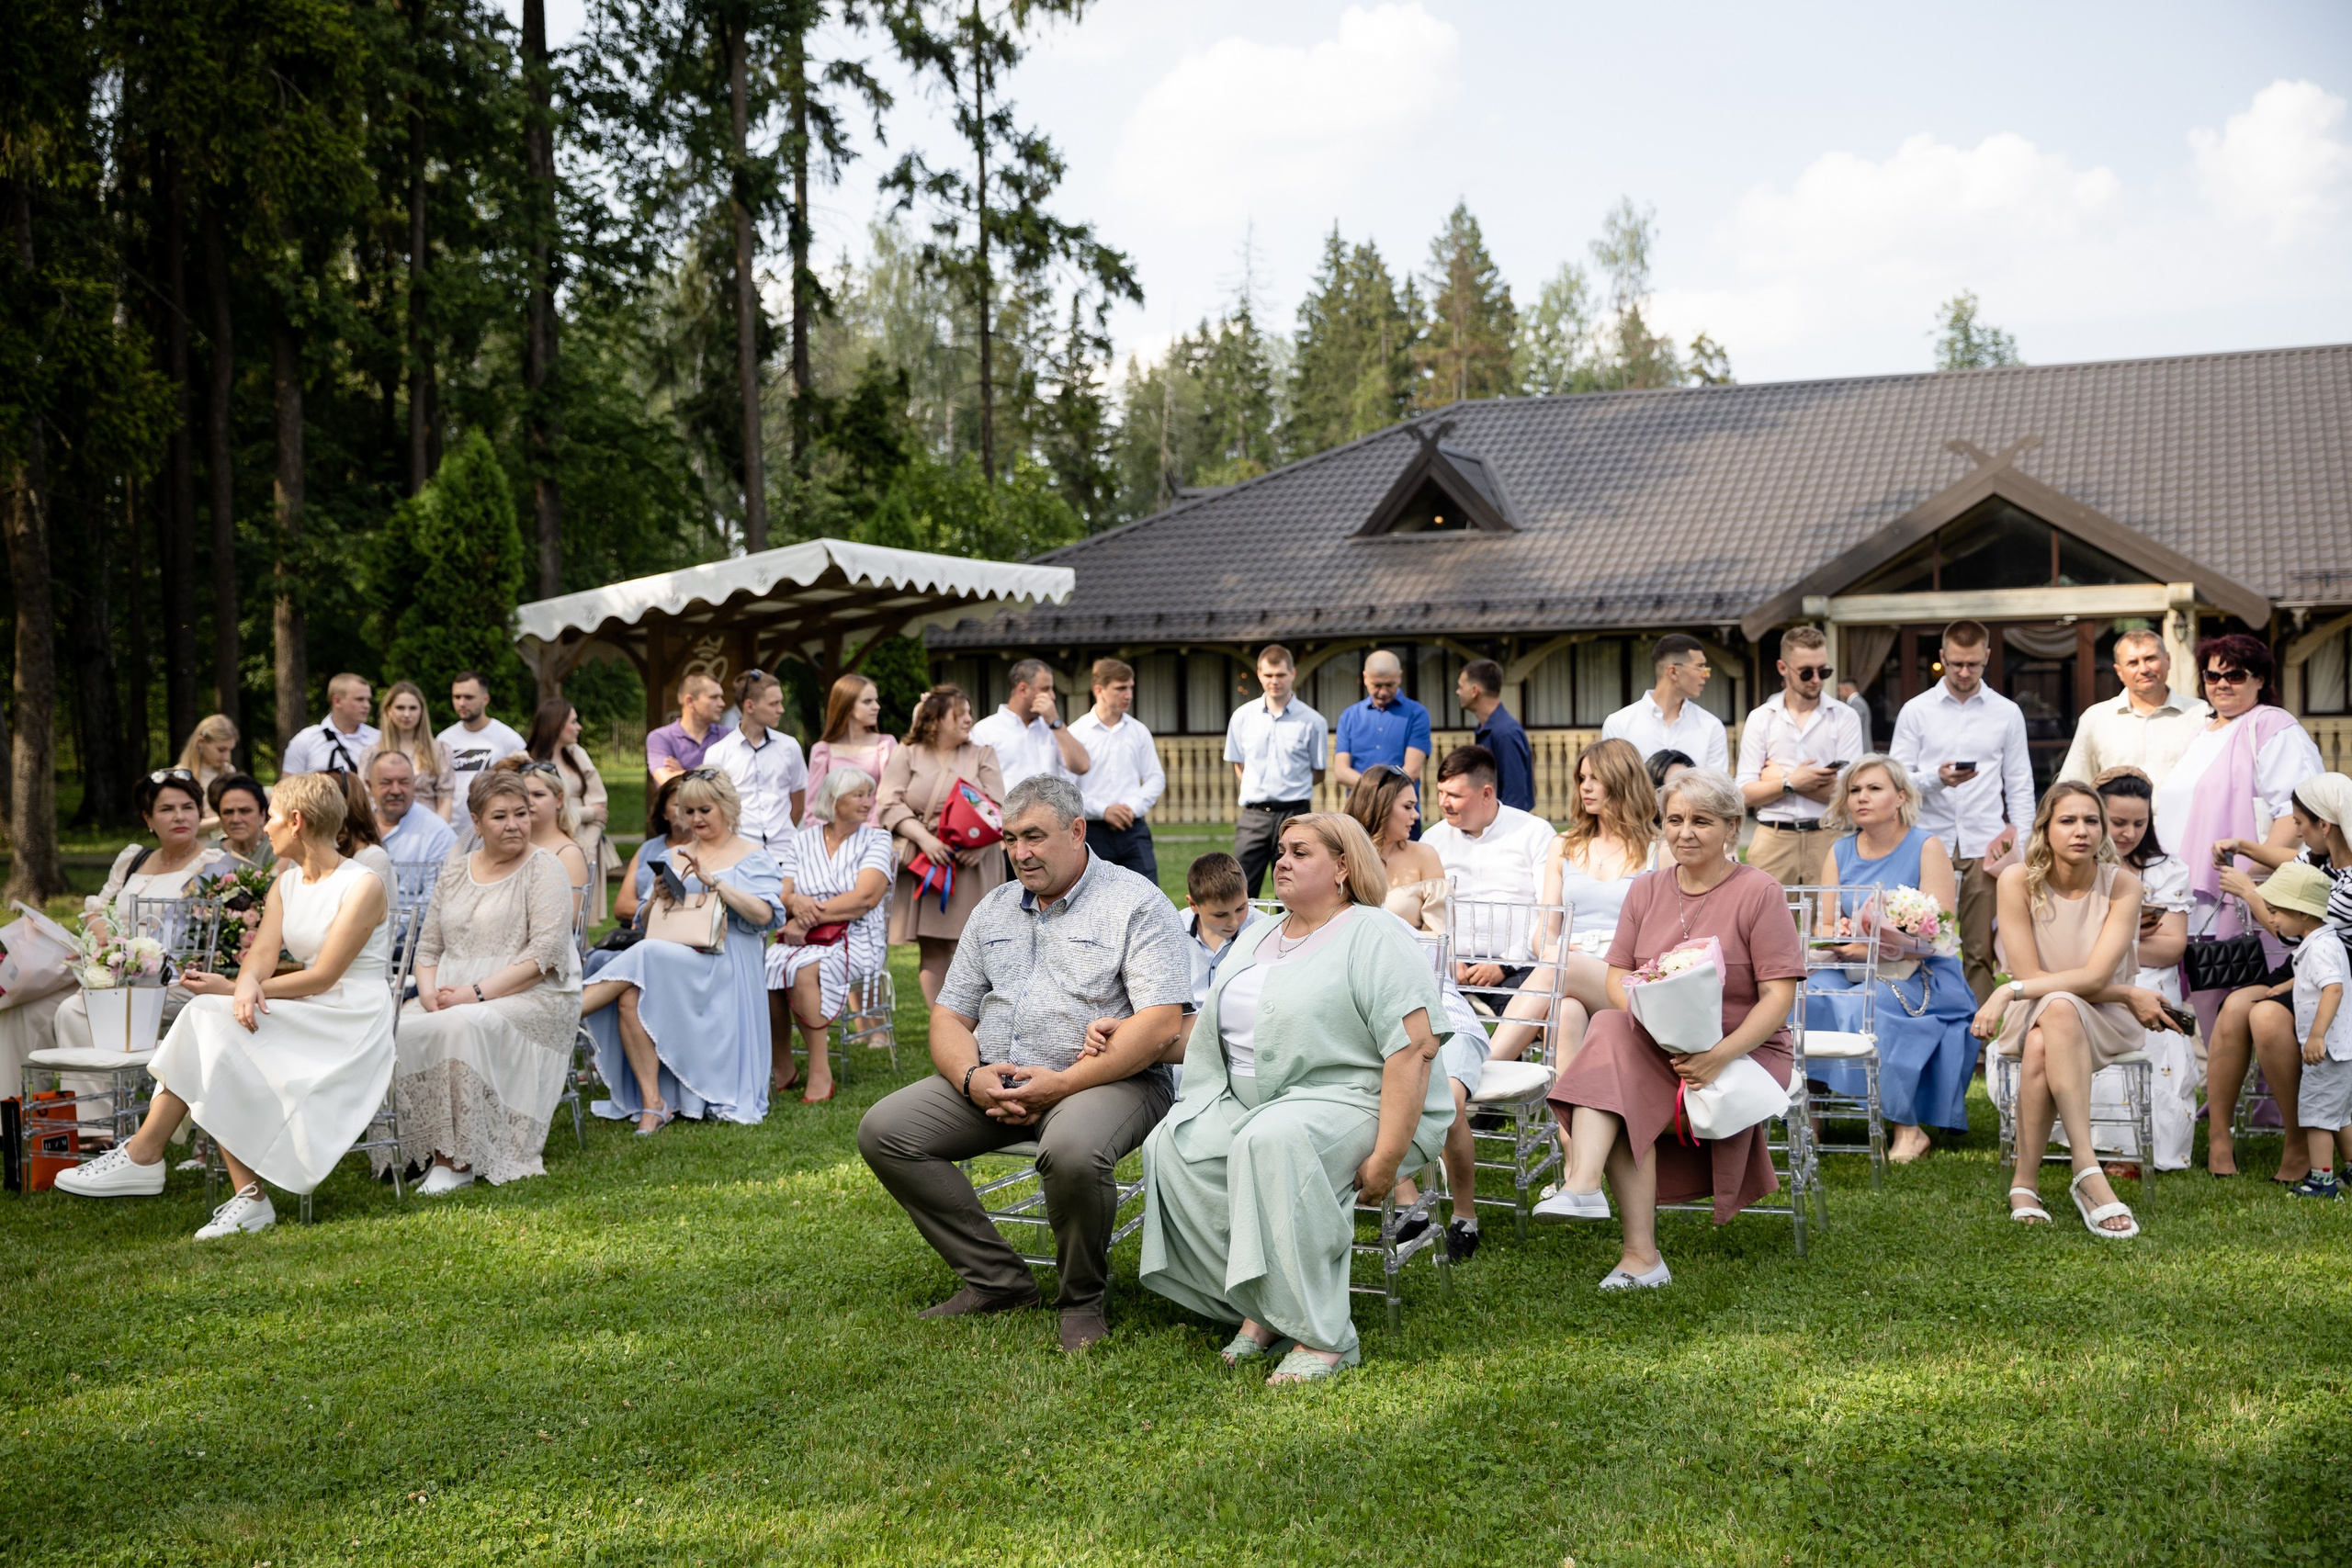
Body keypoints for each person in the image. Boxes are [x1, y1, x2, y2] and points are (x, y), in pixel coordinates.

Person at [857, 776, 1190, 1354]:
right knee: (886, 1131)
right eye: (1010, 839)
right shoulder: (993, 909)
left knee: (1072, 1152)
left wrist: (1060, 1084)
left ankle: (1081, 1299)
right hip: (998, 1078)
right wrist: (971, 1078)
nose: (1019, 852)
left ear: (1077, 831)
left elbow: (1161, 1023)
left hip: (1110, 1078)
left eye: (1034, 836)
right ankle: (999, 1282)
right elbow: (950, 1015)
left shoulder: (1135, 901)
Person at [1139, 811, 1454, 1382]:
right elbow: (1215, 1028)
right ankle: (1264, 1306)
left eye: (1300, 852)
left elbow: (1415, 1049)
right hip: (1253, 1099)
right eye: (1281, 850)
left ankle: (1323, 1336)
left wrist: (1387, 1159)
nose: (1281, 861)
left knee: (1272, 1140)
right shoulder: (1259, 933)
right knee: (1174, 1147)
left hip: (1357, 1099)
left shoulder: (1374, 933)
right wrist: (1126, 1034)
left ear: (1343, 867)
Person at [55, 773, 395, 1239]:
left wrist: (236, 990)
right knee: (211, 1027)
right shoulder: (286, 883)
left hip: (349, 1017)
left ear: (296, 822)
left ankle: (150, 1156)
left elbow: (324, 976)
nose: (266, 826)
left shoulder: (363, 885)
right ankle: (229, 1191)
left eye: (272, 816)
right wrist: (244, 983)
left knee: (211, 1023)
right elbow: (261, 955)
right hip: (304, 1006)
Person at [1533, 769, 1804, 1287]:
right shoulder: (1646, 890)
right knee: (1611, 1026)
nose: (1685, 832)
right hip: (1657, 1044)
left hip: (1743, 1050)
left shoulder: (1759, 891)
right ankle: (1592, 1195)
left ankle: (1623, 1233)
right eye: (1675, 820)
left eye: (1702, 821)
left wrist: (1719, 1054)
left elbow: (1779, 998)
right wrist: (1656, 1025)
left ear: (1732, 828)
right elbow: (1616, 979)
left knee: (1612, 1081)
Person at [1971, 782, 2185, 1238]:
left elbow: (2092, 977)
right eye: (2067, 820)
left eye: (2091, 821)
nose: (2081, 831)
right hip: (2037, 1011)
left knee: (2057, 1014)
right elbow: (2031, 974)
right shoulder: (2016, 880)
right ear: (2045, 828)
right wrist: (2125, 992)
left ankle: (2032, 1181)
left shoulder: (2124, 885)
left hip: (2103, 1018)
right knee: (2052, 1018)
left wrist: (2006, 992)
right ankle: (2085, 1174)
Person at [388, 770, 582, 1191]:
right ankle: (417, 1149)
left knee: (461, 1025)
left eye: (521, 814)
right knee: (404, 1025)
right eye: (499, 816)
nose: (513, 825)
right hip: (452, 993)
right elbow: (428, 948)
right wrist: (428, 994)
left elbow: (544, 956)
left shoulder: (544, 867)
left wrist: (474, 994)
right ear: (476, 823)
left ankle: (455, 1160)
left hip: (534, 995)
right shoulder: (456, 871)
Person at [582, 770, 784, 1131]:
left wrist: (714, 882)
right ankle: (653, 1103)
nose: (696, 819)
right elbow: (646, 923)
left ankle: (567, 1009)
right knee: (629, 994)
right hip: (675, 954)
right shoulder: (674, 855)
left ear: (727, 807)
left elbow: (765, 915)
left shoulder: (753, 855)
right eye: (688, 811)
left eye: (705, 810)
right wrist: (657, 897)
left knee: (644, 955)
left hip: (728, 960)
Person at [2154, 633, 2326, 1049]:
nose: (2221, 684)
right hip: (2195, 898)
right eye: (2212, 675)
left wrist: (2249, 883)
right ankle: (2221, 1087)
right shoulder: (2204, 731)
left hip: (2244, 899)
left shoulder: (2270, 724)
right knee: (2211, 1010)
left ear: (2260, 679)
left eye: (2235, 675)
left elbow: (2296, 815)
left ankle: (2259, 1092)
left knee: (2249, 1011)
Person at [1803, 755, 1977, 1162]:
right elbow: (1826, 924)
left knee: (1873, 1003)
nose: (1861, 797)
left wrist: (1875, 947)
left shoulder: (1926, 846)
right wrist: (1839, 934)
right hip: (1849, 965)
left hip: (1919, 971)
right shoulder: (1840, 851)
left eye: (1874, 788)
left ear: (1901, 797)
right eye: (1854, 790)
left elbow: (1941, 933)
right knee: (1805, 995)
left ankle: (1908, 1129)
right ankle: (1810, 1116)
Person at [2200, 773, 2352, 1180]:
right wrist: (2244, 846)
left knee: (2265, 1016)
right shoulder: (2321, 859)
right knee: (2235, 1007)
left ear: (2325, 825)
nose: (2296, 832)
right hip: (2306, 965)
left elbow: (2293, 930)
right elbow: (2291, 861)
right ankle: (2219, 1135)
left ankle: (2298, 1139)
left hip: (2338, 975)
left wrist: (2249, 892)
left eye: (2300, 823)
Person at [1889, 619, 2036, 1003]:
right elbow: (1895, 780)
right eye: (1956, 664)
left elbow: (2020, 784)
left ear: (1987, 656)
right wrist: (1937, 779)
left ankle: (1978, 1032)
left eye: (1973, 664)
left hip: (1984, 845)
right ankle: (1926, 1020)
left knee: (1979, 950)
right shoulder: (1916, 711)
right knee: (1919, 943)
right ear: (1942, 657)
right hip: (1926, 842)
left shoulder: (2007, 712)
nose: (1965, 672)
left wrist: (2023, 847)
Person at [42, 769, 234, 1059]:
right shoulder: (134, 858)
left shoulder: (213, 865)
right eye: (166, 809)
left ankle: (108, 1086)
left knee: (74, 1011)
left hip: (173, 980)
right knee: (36, 1007)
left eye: (188, 807)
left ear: (199, 813)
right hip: (117, 970)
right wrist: (103, 943)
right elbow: (97, 907)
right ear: (148, 819)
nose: (179, 817)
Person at [2081, 767, 2197, 1172]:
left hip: (2148, 979)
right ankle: (2083, 1139)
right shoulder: (2077, 864)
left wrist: (2108, 943)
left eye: (2139, 823)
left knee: (2147, 1010)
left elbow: (2170, 948)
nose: (2129, 833)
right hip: (2087, 979)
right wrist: (2129, 937)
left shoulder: (2166, 869)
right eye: (2118, 822)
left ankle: (2129, 1146)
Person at [766, 767, 894, 1105]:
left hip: (858, 937)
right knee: (767, 967)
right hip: (804, 937)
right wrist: (796, 903)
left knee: (804, 970)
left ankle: (820, 1071)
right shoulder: (803, 840)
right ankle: (783, 1066)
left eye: (869, 795)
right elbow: (782, 893)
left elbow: (864, 898)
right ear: (834, 800)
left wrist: (805, 919)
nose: (867, 802)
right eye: (858, 795)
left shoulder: (877, 839)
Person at [876, 685, 1009, 1008]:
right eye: (959, 714)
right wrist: (925, 840)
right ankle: (942, 1021)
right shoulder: (907, 753)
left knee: (979, 949)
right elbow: (888, 801)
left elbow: (999, 806)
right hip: (929, 863)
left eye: (969, 713)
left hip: (974, 865)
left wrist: (981, 846)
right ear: (936, 719)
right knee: (934, 948)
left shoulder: (982, 753)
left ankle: (981, 1023)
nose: (968, 720)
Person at [1737, 626, 1866, 889]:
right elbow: (1743, 794)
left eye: (1823, 671)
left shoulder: (1845, 717)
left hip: (1827, 836)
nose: (1816, 679)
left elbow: (1850, 792)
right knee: (1764, 916)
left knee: (1829, 916)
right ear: (1782, 668)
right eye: (1807, 672)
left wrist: (1781, 779)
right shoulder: (1760, 718)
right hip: (1772, 837)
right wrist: (1792, 782)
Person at [1419, 746, 1554, 992]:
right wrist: (1447, 957)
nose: (1443, 803)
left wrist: (1506, 965)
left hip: (1520, 966)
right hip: (1446, 967)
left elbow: (1550, 911)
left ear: (1486, 793)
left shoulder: (1534, 833)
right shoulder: (1432, 840)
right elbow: (1424, 914)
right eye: (1440, 792)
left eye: (1454, 795)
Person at [2258, 862, 2352, 1199]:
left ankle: (2322, 1182)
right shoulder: (2324, 941)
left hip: (2326, 1049)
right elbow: (2318, 977)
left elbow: (2333, 989)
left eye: (2276, 912)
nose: (2271, 920)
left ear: (2301, 913)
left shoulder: (2319, 947)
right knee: (2341, 1114)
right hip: (2341, 1047)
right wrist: (2287, 985)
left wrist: (2316, 1035)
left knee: (2317, 1116)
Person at [1225, 645, 1329, 897]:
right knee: (1240, 890)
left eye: (1281, 674)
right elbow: (1239, 766)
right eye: (1269, 675)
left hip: (1296, 815)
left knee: (1295, 891)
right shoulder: (1242, 717)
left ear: (1292, 673)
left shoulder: (1313, 721)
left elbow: (1318, 773)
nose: (1274, 681)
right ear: (1259, 675)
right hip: (1254, 817)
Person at [2057, 627, 2209, 789]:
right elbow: (2073, 786)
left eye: (2150, 659)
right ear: (2119, 671)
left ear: (2168, 660)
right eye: (2133, 663)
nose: (2144, 669)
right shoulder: (2096, 720)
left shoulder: (2202, 714)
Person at [1069, 657, 1166, 879]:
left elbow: (1155, 778)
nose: (1128, 695)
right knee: (1094, 896)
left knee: (1147, 893)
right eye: (1121, 688)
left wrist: (1131, 808)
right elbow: (1067, 789)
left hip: (1134, 830)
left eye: (1130, 688)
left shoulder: (1139, 731)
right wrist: (1103, 810)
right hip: (1092, 833)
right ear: (1099, 690)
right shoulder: (1076, 733)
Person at [527, 698, 617, 923]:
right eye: (574, 722)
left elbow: (600, 806)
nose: (579, 727)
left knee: (579, 918)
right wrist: (587, 813)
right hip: (542, 843)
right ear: (556, 724)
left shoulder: (577, 755)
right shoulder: (527, 761)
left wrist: (588, 847)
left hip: (584, 839)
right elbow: (528, 809)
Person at [701, 669, 808, 852]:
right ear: (750, 706)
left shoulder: (790, 747)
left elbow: (798, 802)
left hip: (784, 851)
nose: (781, 709)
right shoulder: (718, 753)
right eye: (774, 703)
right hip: (739, 852)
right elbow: (712, 806)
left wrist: (781, 834)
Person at [1601, 634, 1730, 773]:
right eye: (1700, 667)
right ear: (1673, 671)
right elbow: (1615, 782)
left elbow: (1717, 784)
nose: (1707, 674)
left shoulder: (1712, 727)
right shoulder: (1618, 725)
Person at [969, 658, 1091, 794]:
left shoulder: (1053, 728)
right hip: (1006, 807)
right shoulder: (984, 731)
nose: (1052, 696)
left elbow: (1082, 766)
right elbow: (972, 785)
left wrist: (1056, 722)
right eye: (1045, 689)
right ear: (1023, 689)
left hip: (1050, 807)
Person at [1332, 649, 1432, 799]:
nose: (1383, 692)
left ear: (1400, 677)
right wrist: (1377, 789)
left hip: (1400, 805)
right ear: (1365, 678)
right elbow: (1341, 772)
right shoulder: (1349, 716)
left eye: (1389, 685)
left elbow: (1412, 771)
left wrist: (1374, 790)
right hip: (1359, 807)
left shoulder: (1417, 714)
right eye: (1377, 685)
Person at [803, 673, 898, 829]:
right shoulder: (822, 751)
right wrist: (827, 838)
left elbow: (889, 798)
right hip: (833, 837)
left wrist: (869, 833)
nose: (877, 706)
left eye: (876, 700)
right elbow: (814, 807)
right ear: (846, 705)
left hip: (876, 833)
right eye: (867, 701)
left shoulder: (885, 745)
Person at [439, 671, 527, 836]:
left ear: (485, 699)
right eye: (457, 697)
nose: (462, 703)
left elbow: (525, 784)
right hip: (451, 833)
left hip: (494, 831)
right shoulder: (444, 740)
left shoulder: (509, 739)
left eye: (469, 697)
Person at [493, 755, 593, 895]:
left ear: (559, 800)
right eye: (525, 795)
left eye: (538, 795)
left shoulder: (569, 854)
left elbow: (571, 908)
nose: (529, 802)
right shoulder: (512, 845)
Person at [361, 681, 458, 822]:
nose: (407, 714)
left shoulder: (439, 750)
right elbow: (366, 799)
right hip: (386, 826)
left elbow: (445, 799)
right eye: (400, 708)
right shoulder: (372, 753)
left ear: (421, 711)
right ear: (388, 710)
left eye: (413, 708)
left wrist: (439, 831)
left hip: (429, 826)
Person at [1178, 852, 1263, 1010]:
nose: (1234, 922)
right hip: (1189, 1018)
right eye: (1220, 915)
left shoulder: (1263, 929)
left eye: (1241, 908)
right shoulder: (1174, 931)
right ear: (1194, 905)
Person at [611, 773, 690, 931]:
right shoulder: (647, 848)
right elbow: (621, 907)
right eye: (677, 804)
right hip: (642, 929)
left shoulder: (706, 850)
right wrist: (654, 907)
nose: (684, 811)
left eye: (690, 805)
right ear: (664, 813)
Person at [1457, 658, 1535, 812]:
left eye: (1460, 686)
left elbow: (1514, 799)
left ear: (1474, 691)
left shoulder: (1505, 733)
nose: (1457, 692)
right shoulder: (1487, 729)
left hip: (1505, 825)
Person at [367, 749, 457, 869]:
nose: (396, 791)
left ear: (413, 783)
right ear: (370, 786)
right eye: (386, 782)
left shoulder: (438, 835)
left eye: (403, 782)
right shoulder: (355, 828)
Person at [279, 671, 379, 776]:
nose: (367, 705)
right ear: (337, 701)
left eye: (368, 700)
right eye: (359, 699)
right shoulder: (305, 740)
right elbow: (288, 785)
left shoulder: (379, 739)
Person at [175, 713, 240, 834]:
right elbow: (181, 825)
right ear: (201, 742)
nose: (227, 757)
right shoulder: (181, 776)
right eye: (221, 750)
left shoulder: (228, 771)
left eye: (230, 750)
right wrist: (223, 821)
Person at [208, 774, 273, 869]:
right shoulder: (209, 854)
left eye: (245, 811)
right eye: (228, 812)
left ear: (262, 814)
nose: (236, 819)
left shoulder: (277, 851)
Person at [1837, 678, 1874, 746]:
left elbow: (1854, 725)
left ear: (1847, 689)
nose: (1839, 694)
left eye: (1840, 690)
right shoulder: (1855, 702)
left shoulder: (1856, 703)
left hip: (1860, 747)